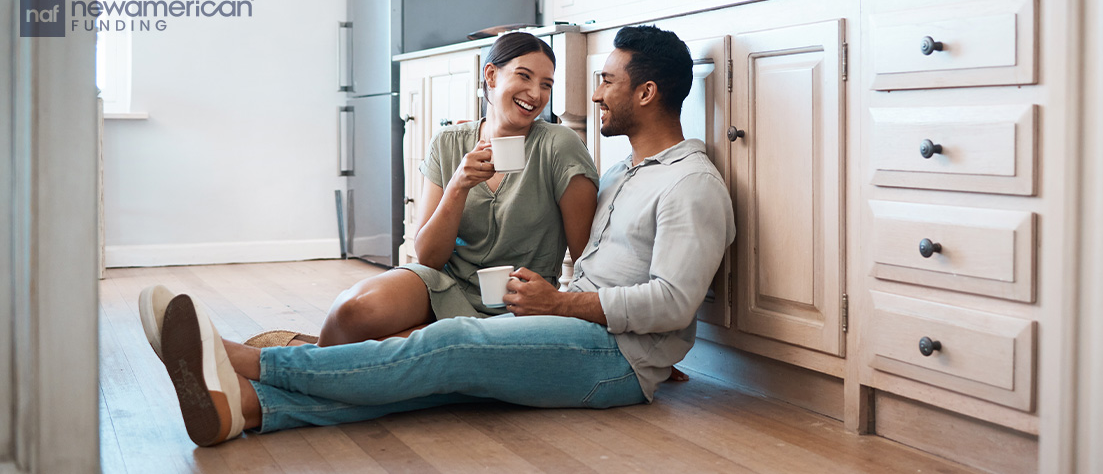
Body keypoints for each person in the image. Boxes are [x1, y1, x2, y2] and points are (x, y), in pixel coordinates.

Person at [140, 25, 736, 447]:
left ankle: (244, 359)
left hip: (615, 361)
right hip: (581, 331)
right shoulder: (625, 171)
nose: (596, 92)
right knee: (433, 380)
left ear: (646, 93)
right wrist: (561, 304)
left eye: (607, 80)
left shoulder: (691, 184)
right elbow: (598, 272)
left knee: (447, 347)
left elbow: (675, 304)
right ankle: (244, 409)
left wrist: (566, 305)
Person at [229, 31, 600, 348]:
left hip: (520, 302)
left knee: (405, 347)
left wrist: (569, 312)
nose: (535, 94)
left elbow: (587, 257)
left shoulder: (559, 145)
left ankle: (293, 359)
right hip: (444, 284)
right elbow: (427, 257)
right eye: (525, 77)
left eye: (547, 85)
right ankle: (323, 355)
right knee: (352, 310)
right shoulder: (449, 143)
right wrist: (458, 185)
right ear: (491, 75)